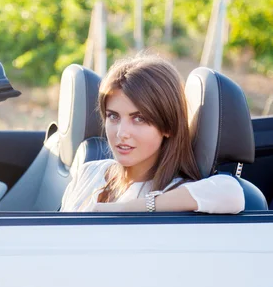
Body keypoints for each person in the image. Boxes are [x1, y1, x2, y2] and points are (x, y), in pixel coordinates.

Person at [60, 54, 244, 213]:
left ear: (168, 126)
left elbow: (231, 193)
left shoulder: (175, 192)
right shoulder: (89, 172)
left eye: (139, 119)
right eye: (113, 116)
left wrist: (128, 208)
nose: (122, 133)